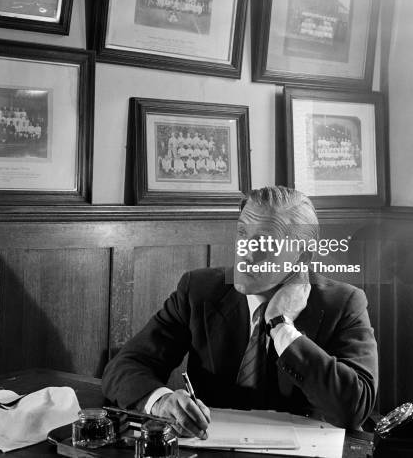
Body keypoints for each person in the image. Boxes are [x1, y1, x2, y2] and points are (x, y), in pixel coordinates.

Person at [102, 185, 378, 438]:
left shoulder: (343, 303)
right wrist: (161, 401)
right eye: (243, 234)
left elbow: (354, 409)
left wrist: (282, 327)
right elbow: (124, 367)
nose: (245, 253)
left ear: (302, 257)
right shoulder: (199, 290)